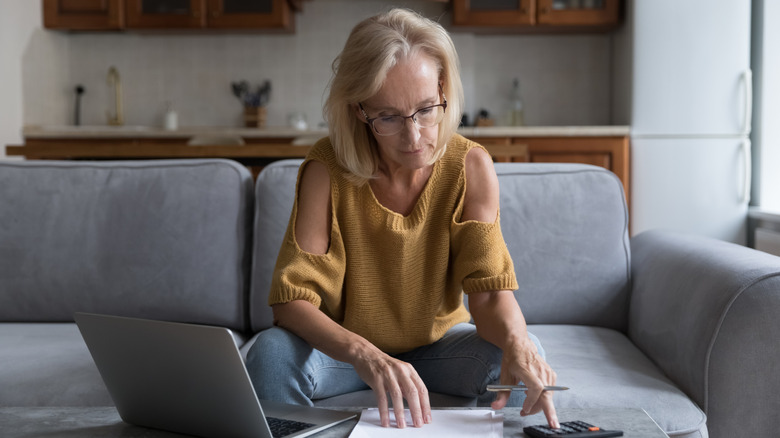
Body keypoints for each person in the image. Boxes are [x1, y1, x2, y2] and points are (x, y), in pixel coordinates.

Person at [246, 8, 559, 430]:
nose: (414, 138)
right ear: (359, 110)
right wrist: (367, 356)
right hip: (346, 355)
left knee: (526, 351)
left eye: (427, 109)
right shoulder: (327, 168)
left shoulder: (470, 166)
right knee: (270, 353)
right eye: (389, 117)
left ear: (443, 88)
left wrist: (519, 343)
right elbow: (291, 303)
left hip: (442, 349)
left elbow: (487, 296)